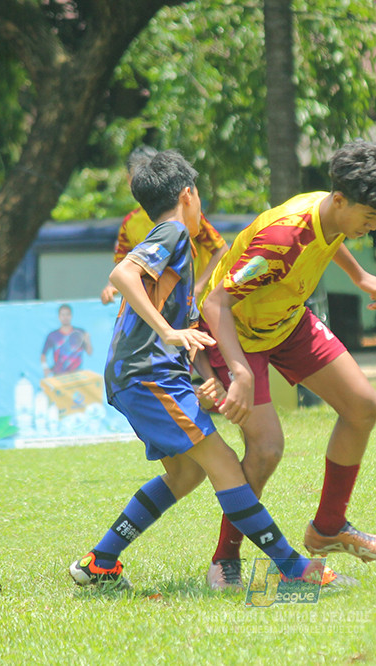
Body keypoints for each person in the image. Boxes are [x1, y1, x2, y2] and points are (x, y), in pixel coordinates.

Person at [69, 149, 339, 589]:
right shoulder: (174, 232)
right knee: (225, 464)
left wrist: (206, 379)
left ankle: (101, 560)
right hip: (145, 375)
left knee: (186, 472)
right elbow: (123, 274)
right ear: (188, 194)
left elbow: (182, 326)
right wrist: (168, 333)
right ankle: (294, 569)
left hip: (141, 376)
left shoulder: (175, 243)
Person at [198, 140, 376, 590]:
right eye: (369, 217)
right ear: (340, 200)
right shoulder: (280, 239)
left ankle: (329, 529)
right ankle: (225, 559)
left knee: (363, 406)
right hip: (237, 330)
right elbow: (216, 304)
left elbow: (329, 238)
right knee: (267, 448)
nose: (371, 228)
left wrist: (360, 276)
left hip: (288, 321)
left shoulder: (329, 211)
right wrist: (237, 373)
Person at [100, 145, 228, 305]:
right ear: (129, 180)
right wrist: (112, 286)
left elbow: (221, 250)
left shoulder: (182, 219)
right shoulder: (134, 224)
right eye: (140, 175)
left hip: (195, 304)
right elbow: (122, 269)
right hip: (165, 307)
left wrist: (198, 288)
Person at [41, 303, 93, 376]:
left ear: (71, 316)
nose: (65, 317)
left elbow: (89, 352)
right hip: (59, 376)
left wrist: (88, 341)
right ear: (59, 317)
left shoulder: (80, 332)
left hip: (77, 376)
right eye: (63, 315)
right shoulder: (52, 335)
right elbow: (43, 355)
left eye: (67, 314)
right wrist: (45, 368)